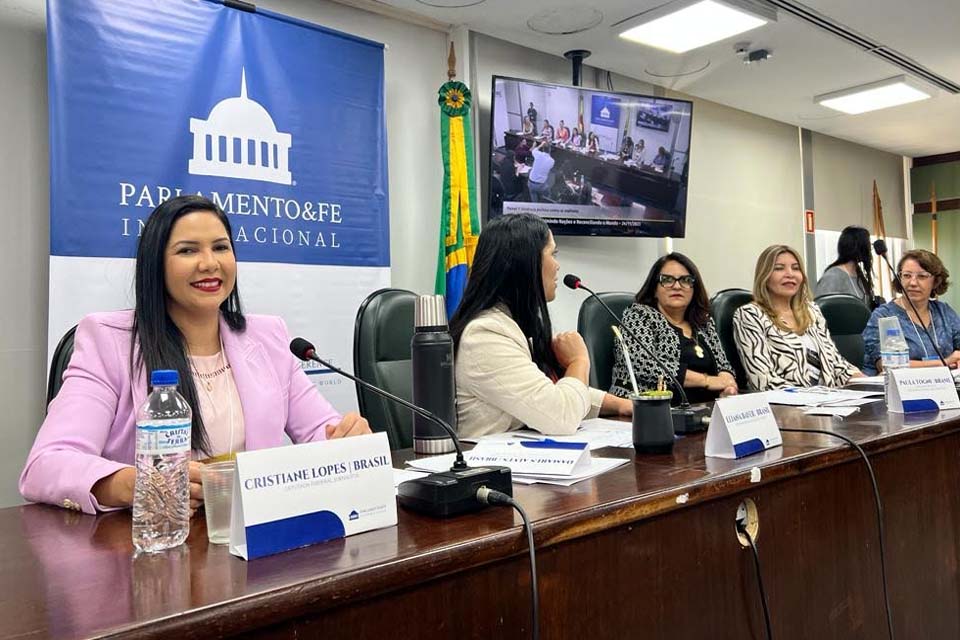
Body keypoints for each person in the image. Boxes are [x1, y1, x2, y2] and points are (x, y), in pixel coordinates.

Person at [20, 196, 370, 514]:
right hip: (154, 543)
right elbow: (46, 465)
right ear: (156, 264)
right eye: (188, 251)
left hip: (251, 539)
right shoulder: (108, 341)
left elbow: (320, 434)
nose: (209, 263)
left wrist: (345, 441)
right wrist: (135, 484)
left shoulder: (267, 337)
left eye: (221, 247)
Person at [451, 214, 632, 437]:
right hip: (489, 466)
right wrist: (579, 361)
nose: (557, 266)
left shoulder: (513, 322)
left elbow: (546, 391)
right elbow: (561, 416)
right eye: (552, 254)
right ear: (525, 263)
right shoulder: (485, 335)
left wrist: (621, 405)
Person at [611, 253, 737, 404]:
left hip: (702, 410)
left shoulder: (704, 322)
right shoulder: (638, 316)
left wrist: (728, 384)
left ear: (694, 288)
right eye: (667, 280)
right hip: (647, 410)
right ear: (654, 289)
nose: (677, 286)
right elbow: (643, 364)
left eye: (685, 280)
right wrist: (706, 380)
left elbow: (723, 364)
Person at [733, 245, 861, 390]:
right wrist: (813, 397)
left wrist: (867, 381)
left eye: (795, 268)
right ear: (764, 276)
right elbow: (763, 380)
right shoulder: (749, 315)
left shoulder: (812, 311)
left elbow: (836, 363)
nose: (790, 274)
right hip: (784, 406)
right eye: (779, 268)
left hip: (828, 402)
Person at [862, 249, 960, 374]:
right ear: (899, 278)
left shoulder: (944, 312)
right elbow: (888, 366)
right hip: (893, 390)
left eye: (922, 276)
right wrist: (944, 363)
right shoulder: (883, 316)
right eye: (907, 275)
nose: (913, 283)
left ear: (936, 281)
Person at [815, 225, 880, 308]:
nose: (870, 250)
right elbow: (820, 310)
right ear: (858, 247)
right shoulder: (832, 277)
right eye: (867, 245)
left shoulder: (858, 275)